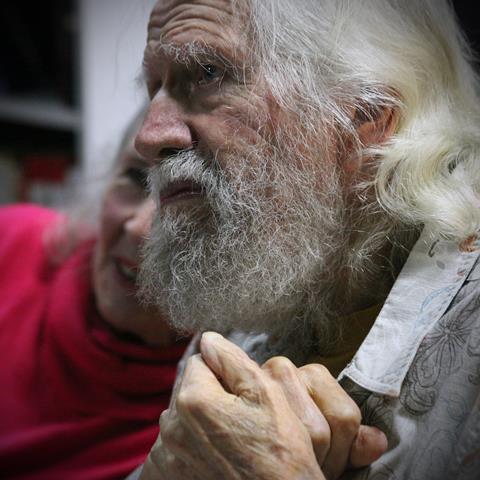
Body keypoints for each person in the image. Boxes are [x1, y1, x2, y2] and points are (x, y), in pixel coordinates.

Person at [131, 0, 480, 479]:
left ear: (366, 116)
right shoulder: (245, 307)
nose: (148, 136)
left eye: (207, 72)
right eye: (154, 89)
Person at [0, 110, 189, 479]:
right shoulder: (13, 240)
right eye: (135, 177)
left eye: (185, 203)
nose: (137, 227)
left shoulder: (192, 425)